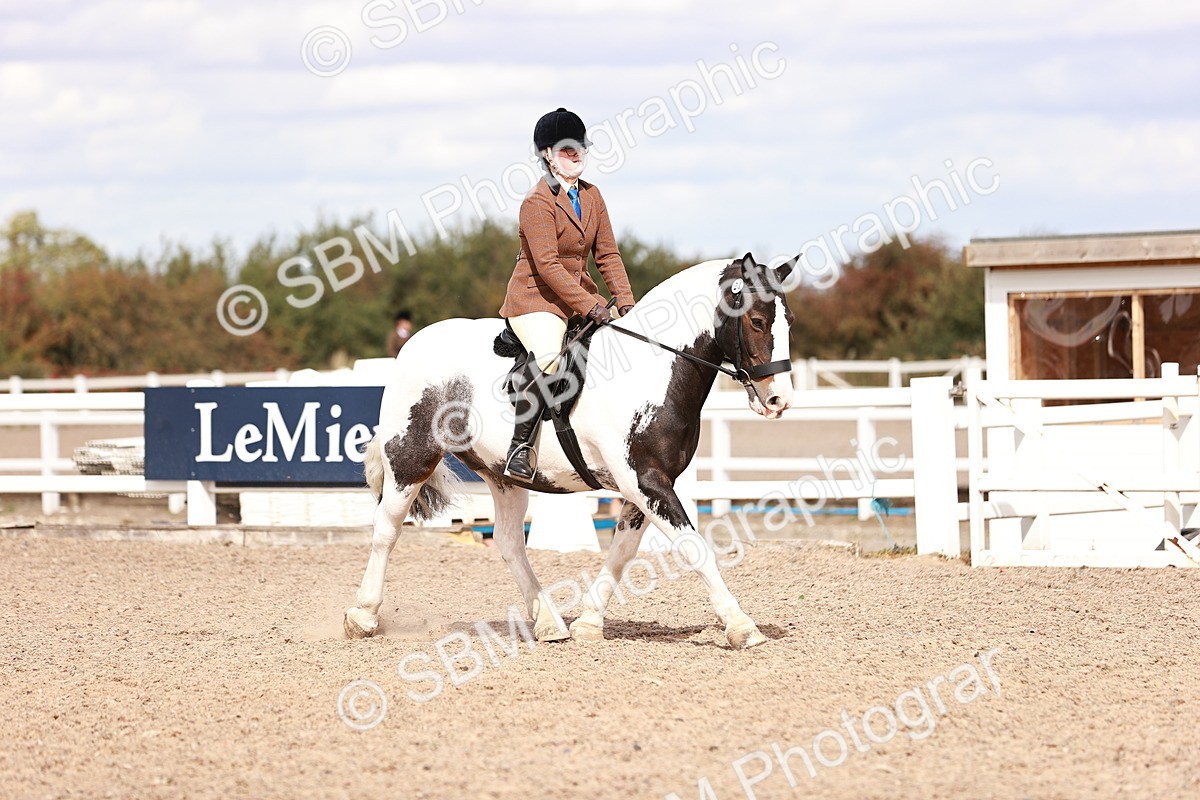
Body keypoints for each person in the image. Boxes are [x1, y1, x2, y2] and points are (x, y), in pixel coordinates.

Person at [498, 108, 637, 480]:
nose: (576, 154)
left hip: (578, 299)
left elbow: (607, 254)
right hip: (537, 300)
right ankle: (520, 448)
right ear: (547, 154)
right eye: (566, 149)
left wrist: (626, 302)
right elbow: (547, 265)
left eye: (579, 148)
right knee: (549, 357)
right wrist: (591, 305)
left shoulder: (593, 196)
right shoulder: (537, 202)